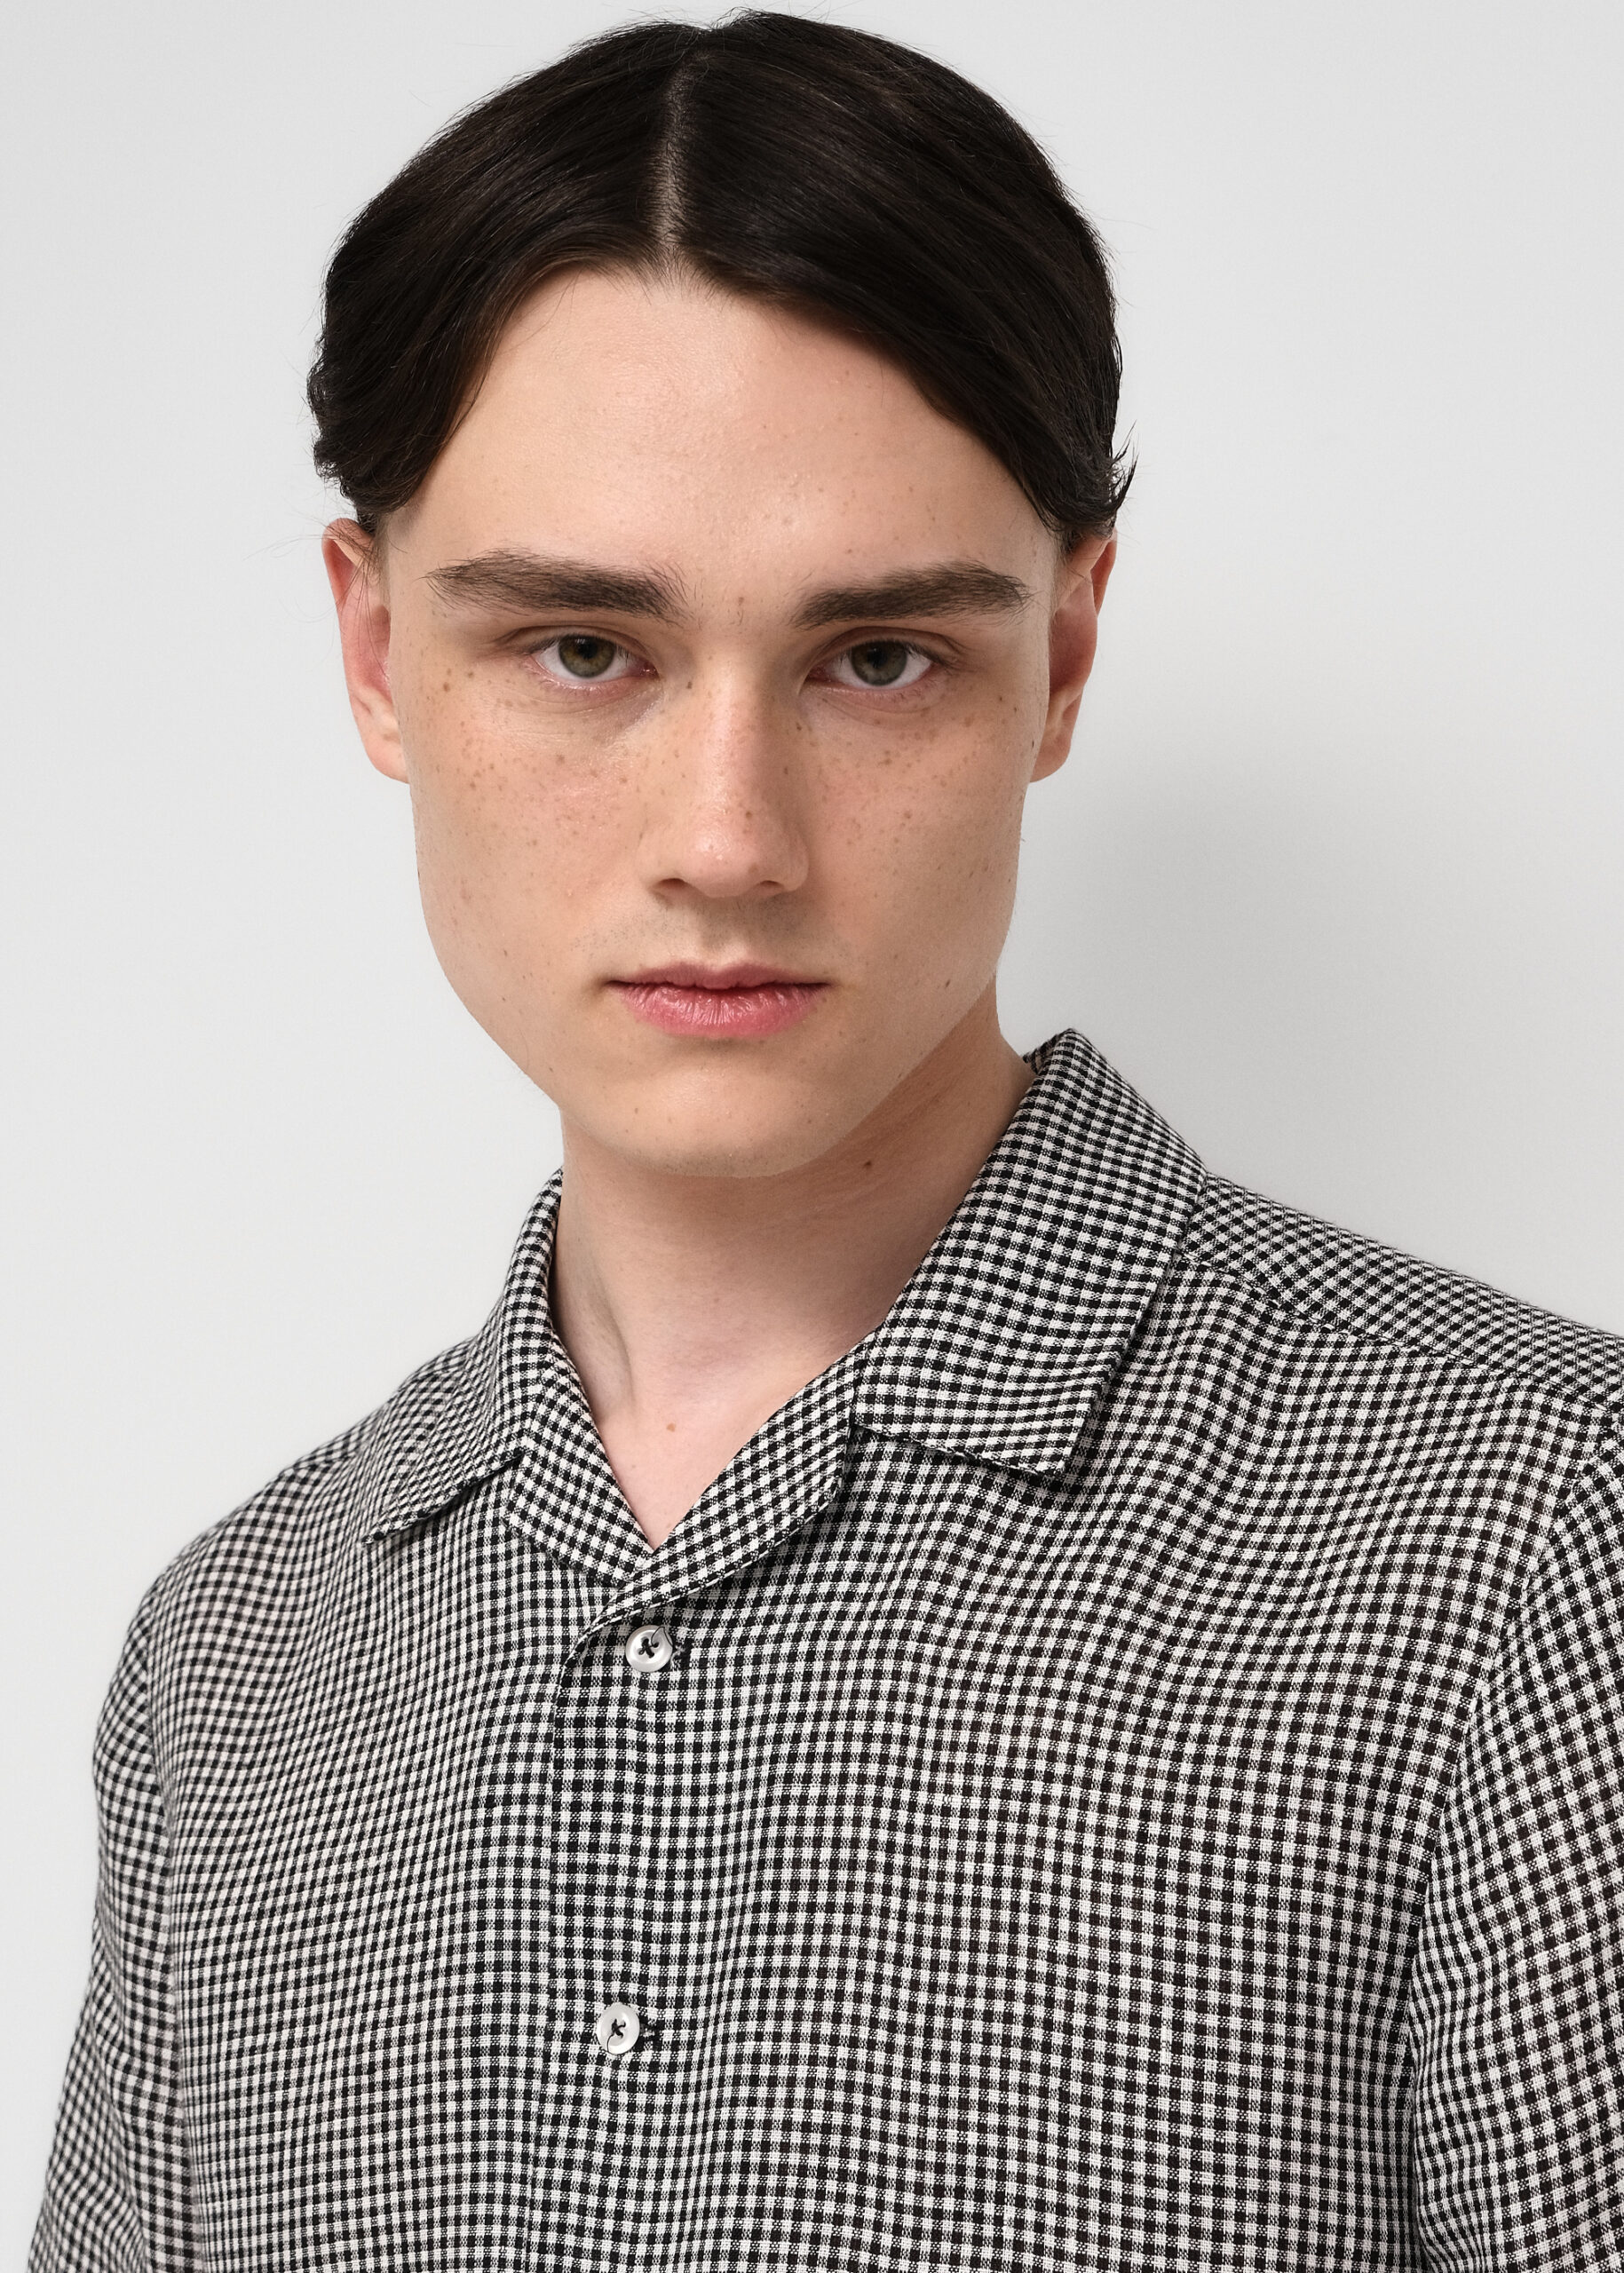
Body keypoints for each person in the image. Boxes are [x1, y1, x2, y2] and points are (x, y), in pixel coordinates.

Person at [33, 12, 1624, 2269]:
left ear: (1062, 657)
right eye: (584, 647)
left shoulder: (1536, 1544)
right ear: (378, 652)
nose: (729, 837)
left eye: (876, 658)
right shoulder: (236, 1666)